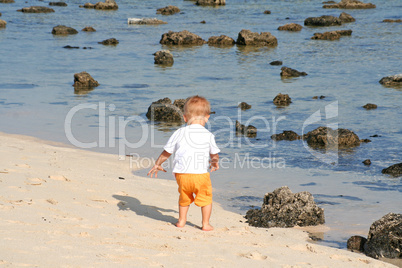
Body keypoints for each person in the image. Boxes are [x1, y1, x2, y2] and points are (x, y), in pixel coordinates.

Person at [147, 95, 220, 231]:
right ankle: (205, 224)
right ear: (207, 117)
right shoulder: (208, 135)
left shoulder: (179, 132)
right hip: (200, 175)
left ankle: (181, 221)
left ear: (184, 117)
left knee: (184, 197)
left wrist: (157, 164)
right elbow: (214, 154)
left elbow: (166, 152)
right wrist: (214, 162)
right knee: (206, 198)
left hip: (181, 175)